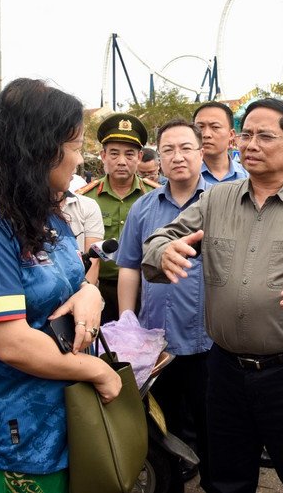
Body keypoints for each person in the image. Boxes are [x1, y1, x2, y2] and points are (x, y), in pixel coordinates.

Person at [142, 98, 283, 493]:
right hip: (226, 372)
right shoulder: (215, 200)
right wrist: (164, 251)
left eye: (265, 136)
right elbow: (161, 240)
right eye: (245, 134)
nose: (250, 144)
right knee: (227, 479)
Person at [0, 78, 120, 491]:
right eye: (74, 146)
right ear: (39, 146)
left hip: (69, 414)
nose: (79, 158)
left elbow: (74, 277)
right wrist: (96, 370)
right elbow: (11, 343)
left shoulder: (40, 211)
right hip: (20, 434)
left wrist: (90, 295)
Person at [115, 118, 213, 492]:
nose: (178, 156)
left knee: (212, 425)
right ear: (158, 157)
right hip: (157, 340)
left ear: (201, 153)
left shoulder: (222, 201)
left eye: (186, 148)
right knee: (162, 424)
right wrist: (128, 320)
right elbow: (128, 266)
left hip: (208, 339)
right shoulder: (143, 208)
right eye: (168, 149)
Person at [77, 112, 160, 323]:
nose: (122, 161)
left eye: (130, 154)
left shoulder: (156, 196)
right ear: (103, 156)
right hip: (98, 288)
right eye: (114, 154)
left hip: (144, 288)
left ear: (140, 158)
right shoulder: (84, 198)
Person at [193, 101, 248, 184]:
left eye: (215, 127)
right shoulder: (184, 177)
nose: (206, 134)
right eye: (200, 127)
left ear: (231, 134)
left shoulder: (248, 177)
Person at [60, 189, 104, 285]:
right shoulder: (24, 207)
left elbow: (93, 258)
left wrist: (86, 294)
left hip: (81, 286)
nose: (74, 173)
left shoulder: (87, 205)